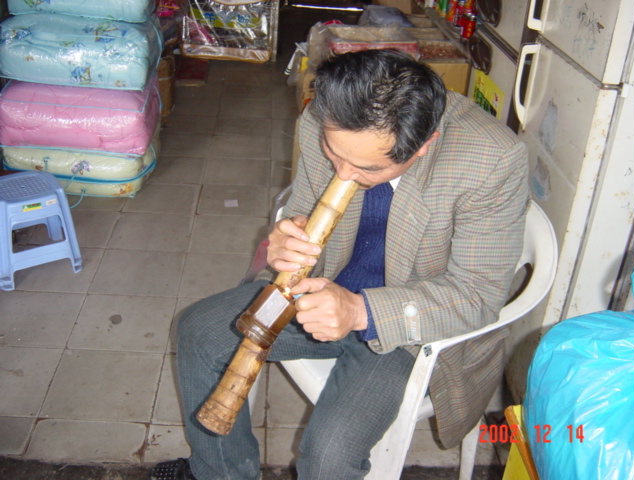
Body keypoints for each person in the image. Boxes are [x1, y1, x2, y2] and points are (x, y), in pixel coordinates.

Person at [150, 49, 529, 480]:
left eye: (367, 167)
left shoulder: (492, 160)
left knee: (329, 457)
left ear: (425, 145)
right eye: (335, 154)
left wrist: (359, 311)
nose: (343, 175)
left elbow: (478, 296)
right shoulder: (322, 120)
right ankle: (219, 474)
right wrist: (284, 236)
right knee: (199, 332)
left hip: (407, 327)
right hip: (318, 291)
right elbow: (303, 208)